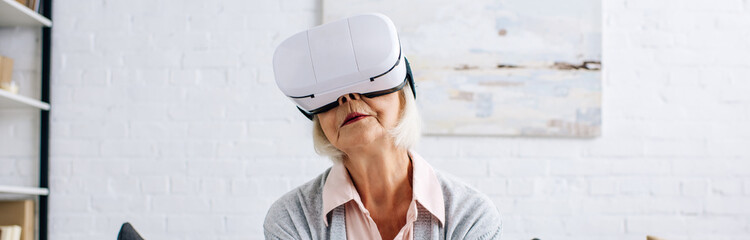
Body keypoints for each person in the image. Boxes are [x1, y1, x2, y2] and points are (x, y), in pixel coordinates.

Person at [264, 13, 501, 240]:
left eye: (366, 82)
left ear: (403, 94)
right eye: (330, 95)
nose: (347, 99)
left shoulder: (471, 216)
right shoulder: (291, 219)